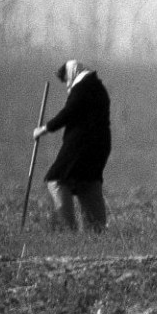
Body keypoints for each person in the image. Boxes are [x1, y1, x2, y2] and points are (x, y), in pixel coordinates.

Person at [33, 60, 112, 232]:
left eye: (67, 80)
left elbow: (69, 112)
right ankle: (95, 230)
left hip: (80, 146)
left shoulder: (81, 88)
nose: (67, 85)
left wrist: (44, 129)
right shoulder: (99, 88)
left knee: (56, 179)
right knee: (88, 182)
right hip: (101, 147)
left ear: (72, 74)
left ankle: (67, 230)